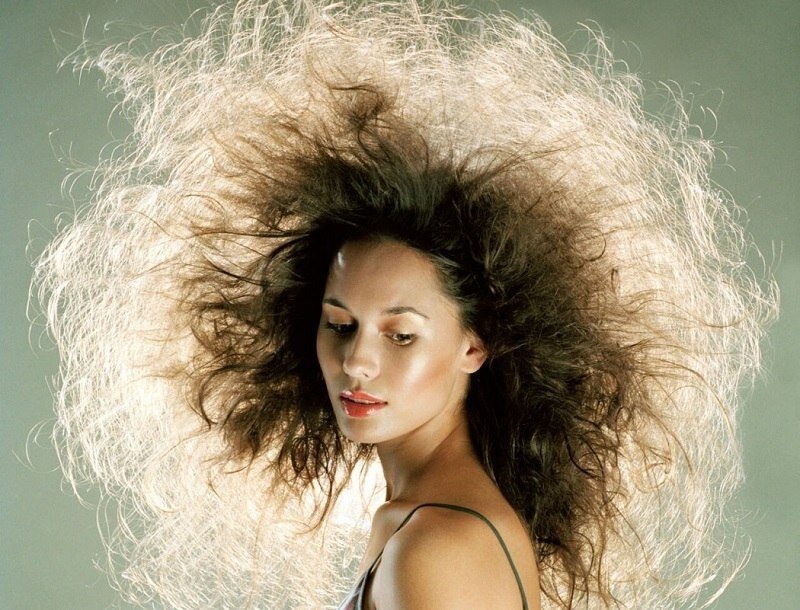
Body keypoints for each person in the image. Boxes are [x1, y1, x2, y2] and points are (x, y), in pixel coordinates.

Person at [33, 1, 776, 608]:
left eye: (401, 335)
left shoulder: (440, 544)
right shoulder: (421, 519)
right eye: (340, 325)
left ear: (475, 346)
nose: (356, 362)